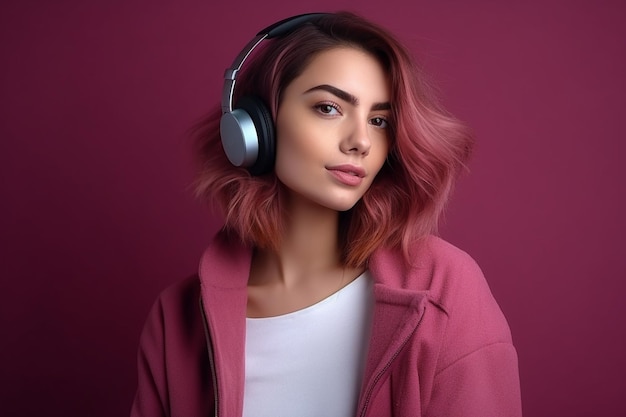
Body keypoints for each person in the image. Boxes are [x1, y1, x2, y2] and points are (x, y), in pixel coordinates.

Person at [130, 11, 522, 417]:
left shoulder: (444, 288)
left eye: (379, 120)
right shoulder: (175, 319)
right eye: (329, 108)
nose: (361, 141)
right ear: (253, 127)